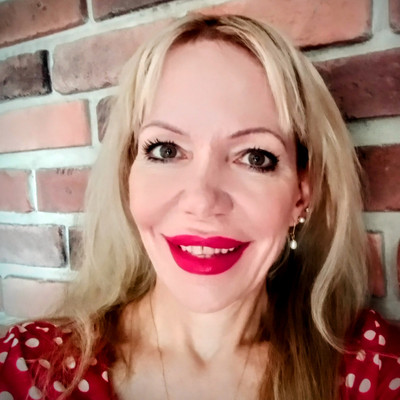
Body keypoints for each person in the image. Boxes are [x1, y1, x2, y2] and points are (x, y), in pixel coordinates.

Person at [0, 14, 399, 400]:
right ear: (128, 176)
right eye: (166, 150)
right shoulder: (28, 369)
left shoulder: (374, 365)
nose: (203, 201)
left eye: (256, 157)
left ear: (301, 196)